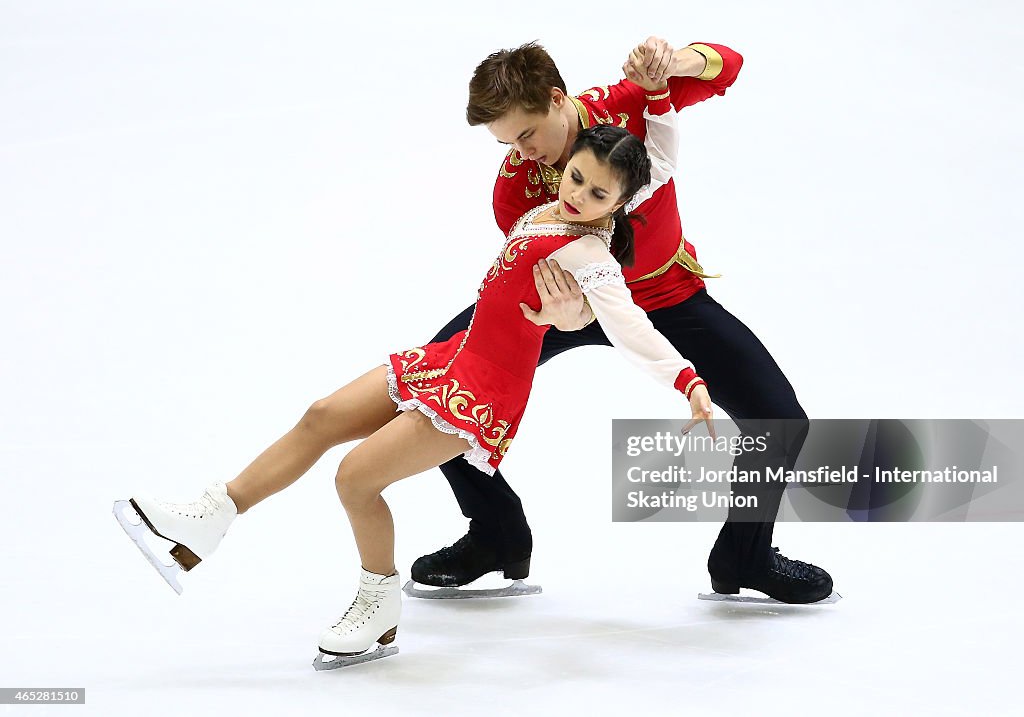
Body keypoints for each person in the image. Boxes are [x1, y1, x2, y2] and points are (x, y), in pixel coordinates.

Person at [115, 61, 711, 666]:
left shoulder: (591, 251)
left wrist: (684, 380)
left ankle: (378, 607)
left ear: (619, 201)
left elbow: (629, 324)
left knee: (355, 477)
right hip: (453, 357)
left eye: (598, 194)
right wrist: (657, 108)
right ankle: (210, 518)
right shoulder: (546, 208)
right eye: (576, 178)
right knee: (321, 415)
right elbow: (659, 156)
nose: (579, 195)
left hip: (482, 393)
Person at [410, 37, 834, 605]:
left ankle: (745, 555)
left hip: (667, 295)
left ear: (558, 100)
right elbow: (535, 270)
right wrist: (563, 314)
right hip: (569, 304)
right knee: (431, 388)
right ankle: (496, 534)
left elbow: (727, 66)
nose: (520, 153)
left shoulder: (628, 105)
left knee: (780, 418)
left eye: (527, 134)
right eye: (507, 141)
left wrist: (670, 64)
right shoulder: (515, 187)